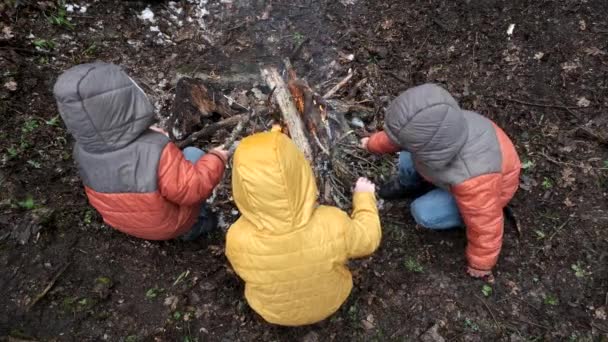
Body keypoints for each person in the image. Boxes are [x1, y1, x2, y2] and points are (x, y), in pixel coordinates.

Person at [361, 83, 521, 279]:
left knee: (424, 212)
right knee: (406, 154)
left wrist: (481, 263)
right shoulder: (440, 123)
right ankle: (409, 184)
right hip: (448, 168)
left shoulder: (474, 178)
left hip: (486, 192)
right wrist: (372, 144)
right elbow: (400, 137)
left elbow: (485, 223)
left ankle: (457, 217)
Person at [53, 62, 228, 241]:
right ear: (125, 101)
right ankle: (198, 224)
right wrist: (217, 158)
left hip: (123, 222)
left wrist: (150, 137)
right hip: (167, 226)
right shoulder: (155, 150)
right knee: (193, 154)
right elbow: (192, 188)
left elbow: (121, 154)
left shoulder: (81, 151)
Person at [225, 131, 381, 326]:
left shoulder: (237, 237)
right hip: (331, 300)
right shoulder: (332, 222)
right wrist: (364, 197)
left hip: (274, 312)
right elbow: (369, 238)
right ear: (301, 169)